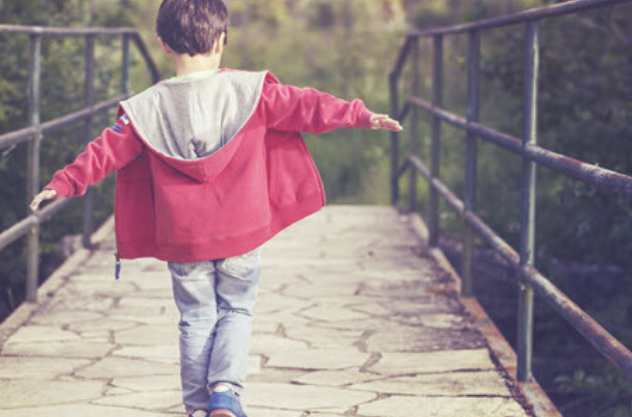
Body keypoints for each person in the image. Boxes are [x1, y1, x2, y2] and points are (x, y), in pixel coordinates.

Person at [29, 1, 402, 415]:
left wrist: (63, 182)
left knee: (195, 318)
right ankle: (225, 391)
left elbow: (105, 150)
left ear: (163, 44)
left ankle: (196, 407)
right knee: (237, 308)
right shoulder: (252, 92)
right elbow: (306, 105)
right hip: (242, 231)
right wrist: (359, 115)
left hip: (184, 238)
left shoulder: (145, 111)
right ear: (221, 40)